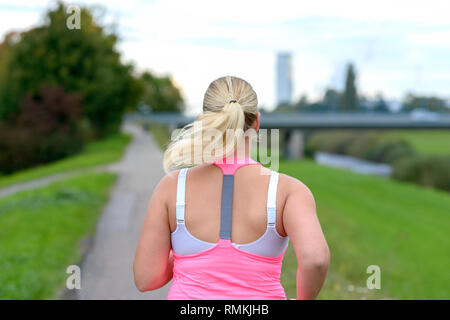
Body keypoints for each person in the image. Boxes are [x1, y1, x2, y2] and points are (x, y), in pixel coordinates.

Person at [133, 76, 329, 300]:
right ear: (256, 122)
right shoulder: (288, 191)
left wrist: (186, 255)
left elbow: (146, 278)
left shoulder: (171, 187)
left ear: (204, 121)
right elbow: (316, 260)